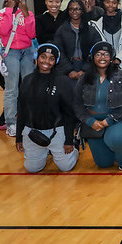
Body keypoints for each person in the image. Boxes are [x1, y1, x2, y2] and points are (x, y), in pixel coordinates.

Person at [16, 43, 78, 173]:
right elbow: (22, 110)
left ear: (56, 61)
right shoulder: (27, 80)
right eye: (43, 57)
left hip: (56, 131)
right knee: (32, 168)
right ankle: (45, 151)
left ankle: (75, 148)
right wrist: (19, 137)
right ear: (36, 58)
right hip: (32, 131)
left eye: (51, 58)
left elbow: (69, 113)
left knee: (65, 167)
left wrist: (69, 140)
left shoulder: (63, 82)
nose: (46, 61)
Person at [73, 41, 122, 170]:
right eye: (99, 54)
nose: (102, 57)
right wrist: (90, 121)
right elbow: (77, 104)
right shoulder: (84, 78)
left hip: (117, 118)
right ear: (92, 57)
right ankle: (112, 150)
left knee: (115, 140)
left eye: (106, 54)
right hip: (93, 121)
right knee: (103, 164)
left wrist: (109, 121)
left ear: (111, 57)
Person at [0, 0, 36, 137]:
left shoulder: (27, 14)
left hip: (27, 51)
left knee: (29, 87)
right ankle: (11, 123)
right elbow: (3, 31)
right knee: (12, 88)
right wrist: (9, 10)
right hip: (11, 51)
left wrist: (25, 14)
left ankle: (30, 120)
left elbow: (32, 34)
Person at [90, 0, 122, 79]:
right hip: (104, 65)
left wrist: (118, 59)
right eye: (108, 2)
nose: (110, 5)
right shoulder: (96, 22)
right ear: (103, 2)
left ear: (118, 3)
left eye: (114, 2)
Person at [54, 0, 99, 81]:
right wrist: (69, 70)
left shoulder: (91, 30)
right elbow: (59, 51)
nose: (74, 11)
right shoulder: (62, 30)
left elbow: (96, 51)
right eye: (71, 9)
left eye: (77, 9)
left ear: (82, 11)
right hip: (66, 69)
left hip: (87, 68)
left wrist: (85, 69)